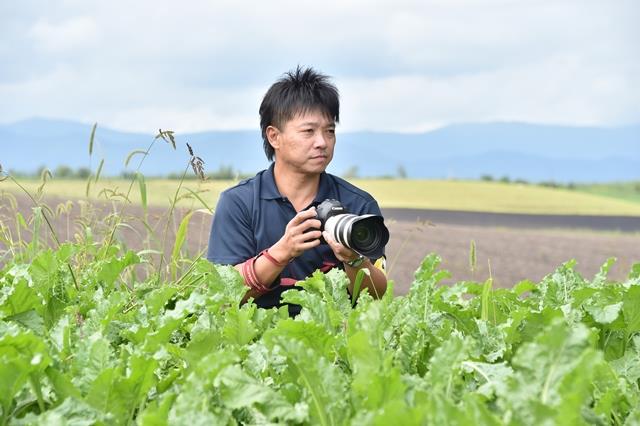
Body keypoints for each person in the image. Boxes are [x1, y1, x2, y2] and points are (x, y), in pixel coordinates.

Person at [206, 66, 388, 316]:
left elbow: (377, 295)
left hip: (334, 344)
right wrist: (282, 252)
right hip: (255, 343)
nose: (322, 142)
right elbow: (222, 295)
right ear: (274, 137)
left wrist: (353, 259)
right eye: (308, 131)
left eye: (330, 131)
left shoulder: (358, 205)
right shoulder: (239, 203)